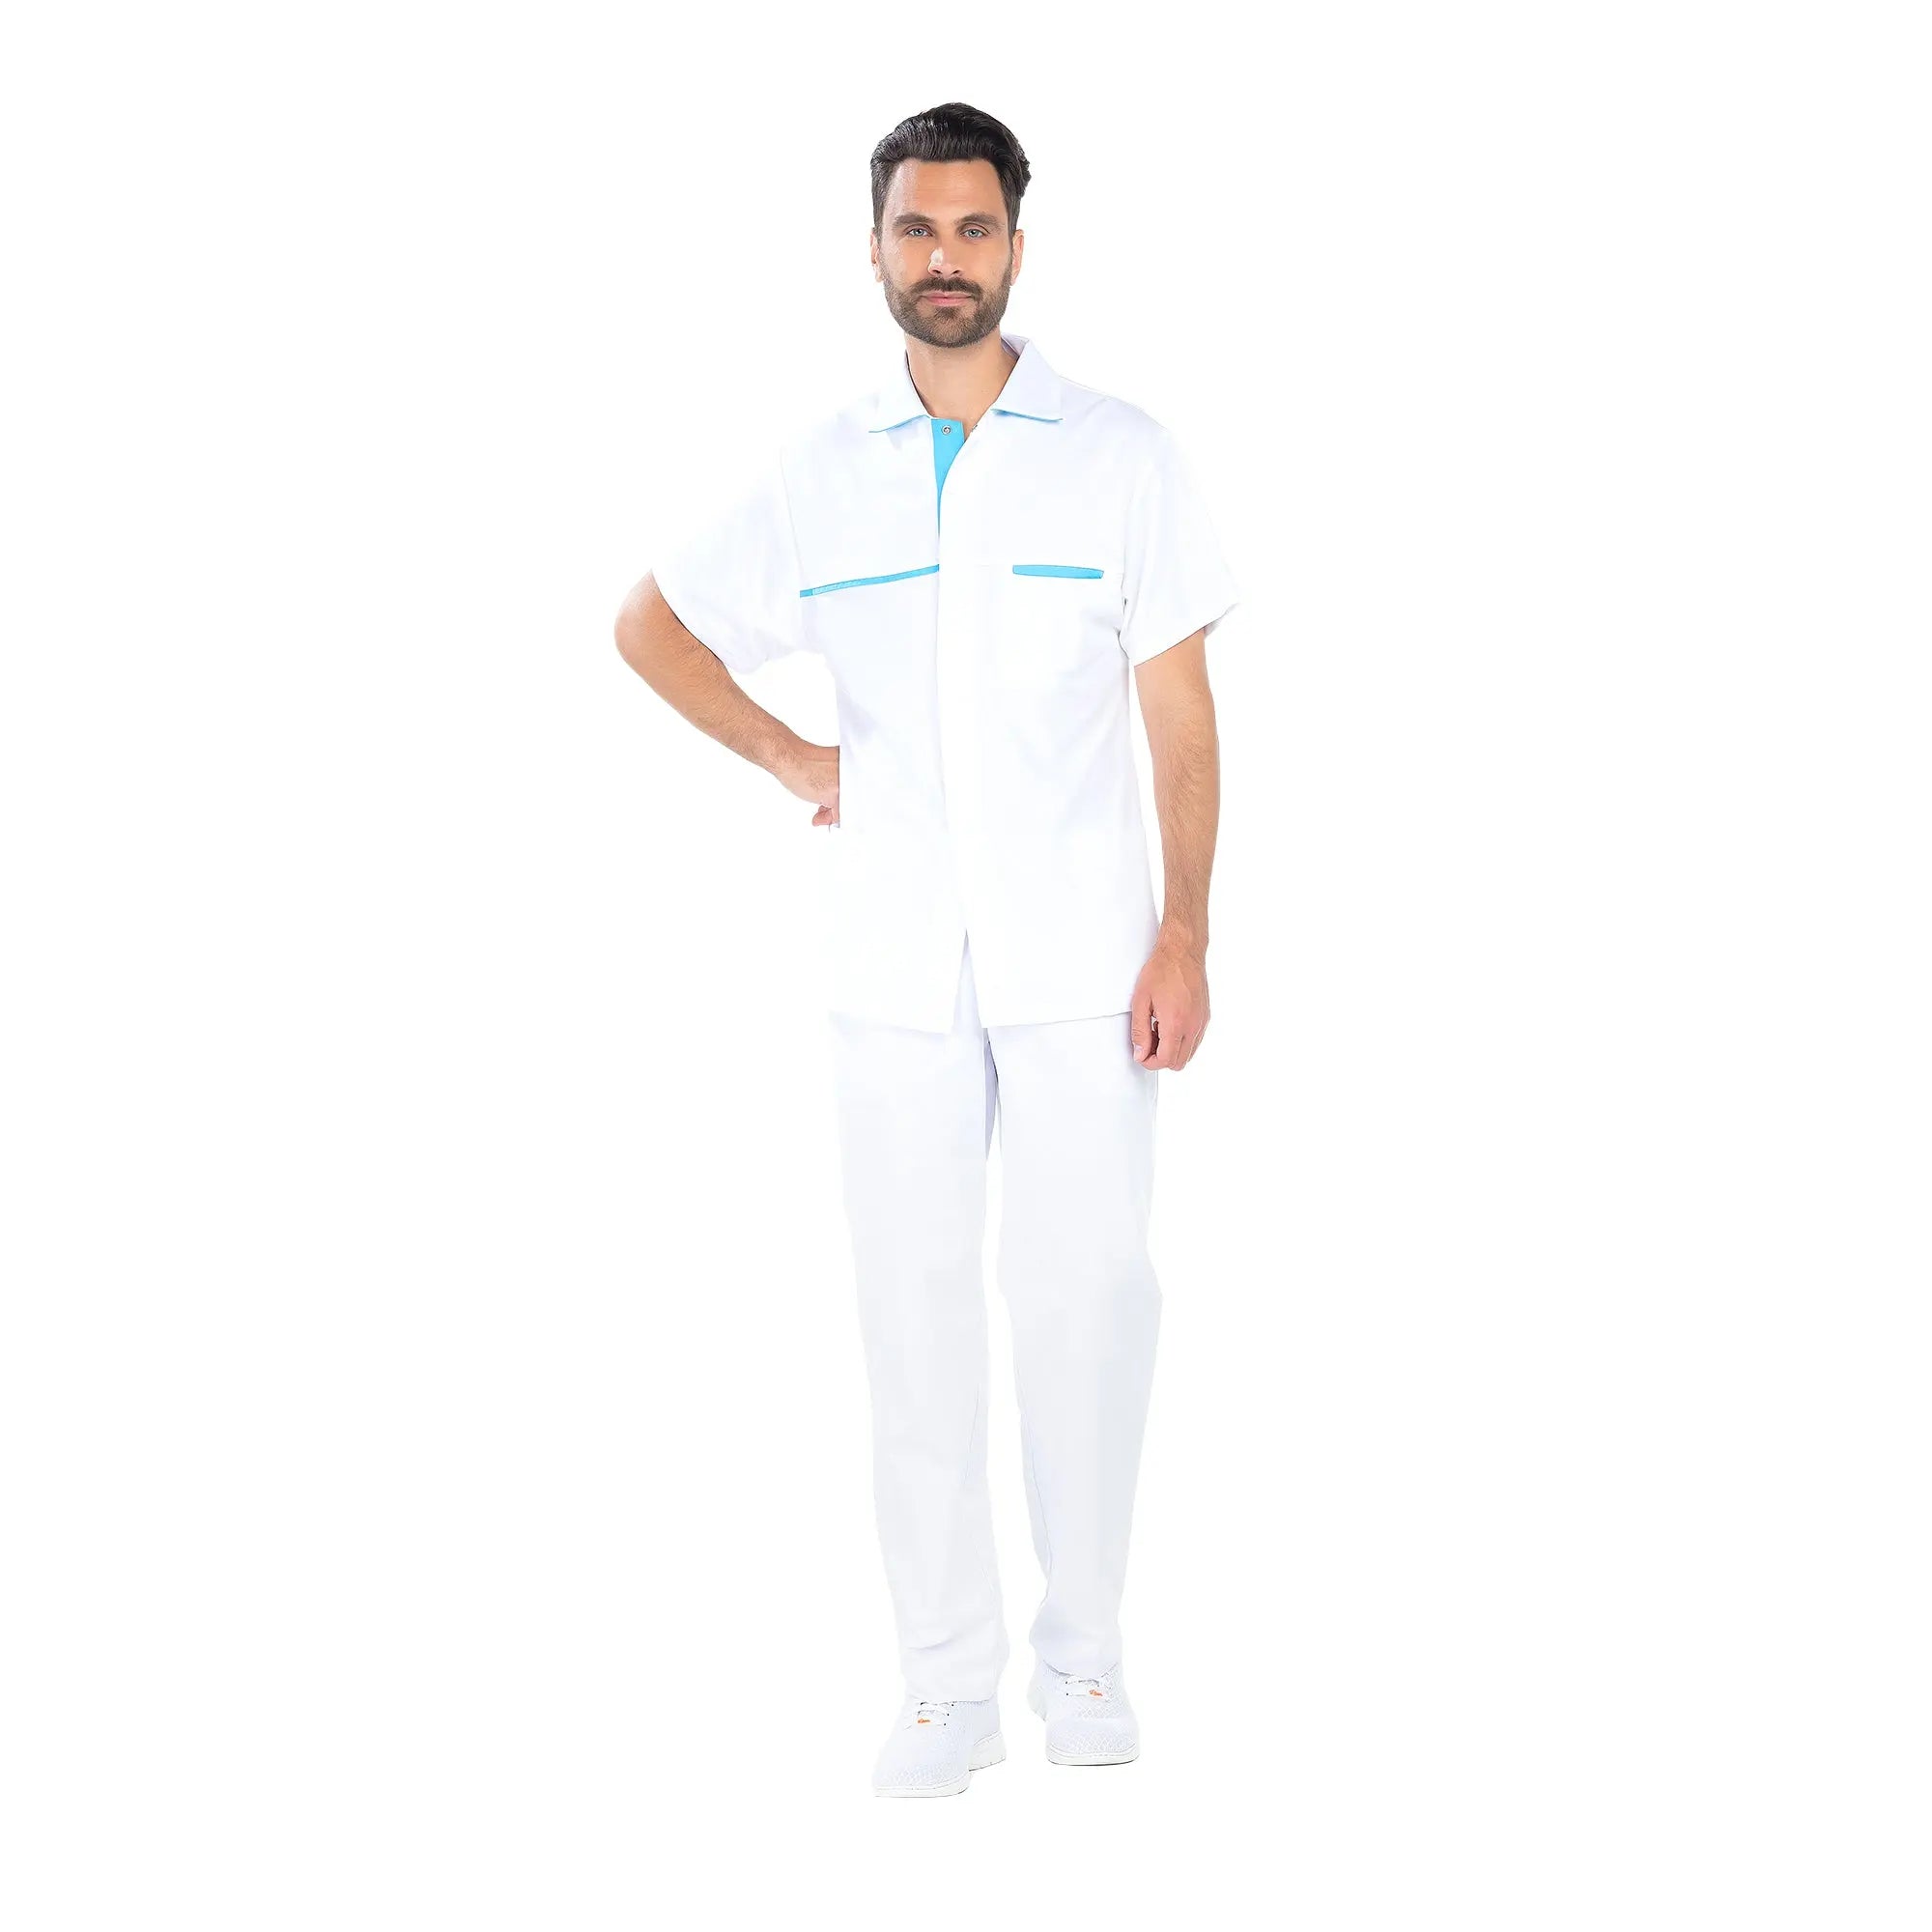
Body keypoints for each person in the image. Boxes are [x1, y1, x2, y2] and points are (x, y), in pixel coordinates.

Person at [613, 101, 1239, 1797]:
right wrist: (788, 755)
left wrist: (1185, 930)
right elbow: (649, 626)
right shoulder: (819, 469)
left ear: (1017, 244)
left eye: (972, 229)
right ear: (876, 248)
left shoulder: (1121, 455)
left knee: (1090, 1303)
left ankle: (1085, 1662)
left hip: (1086, 962)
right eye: (916, 230)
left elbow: (1179, 714)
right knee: (913, 1319)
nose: (944, 259)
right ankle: (945, 1688)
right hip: (891, 964)